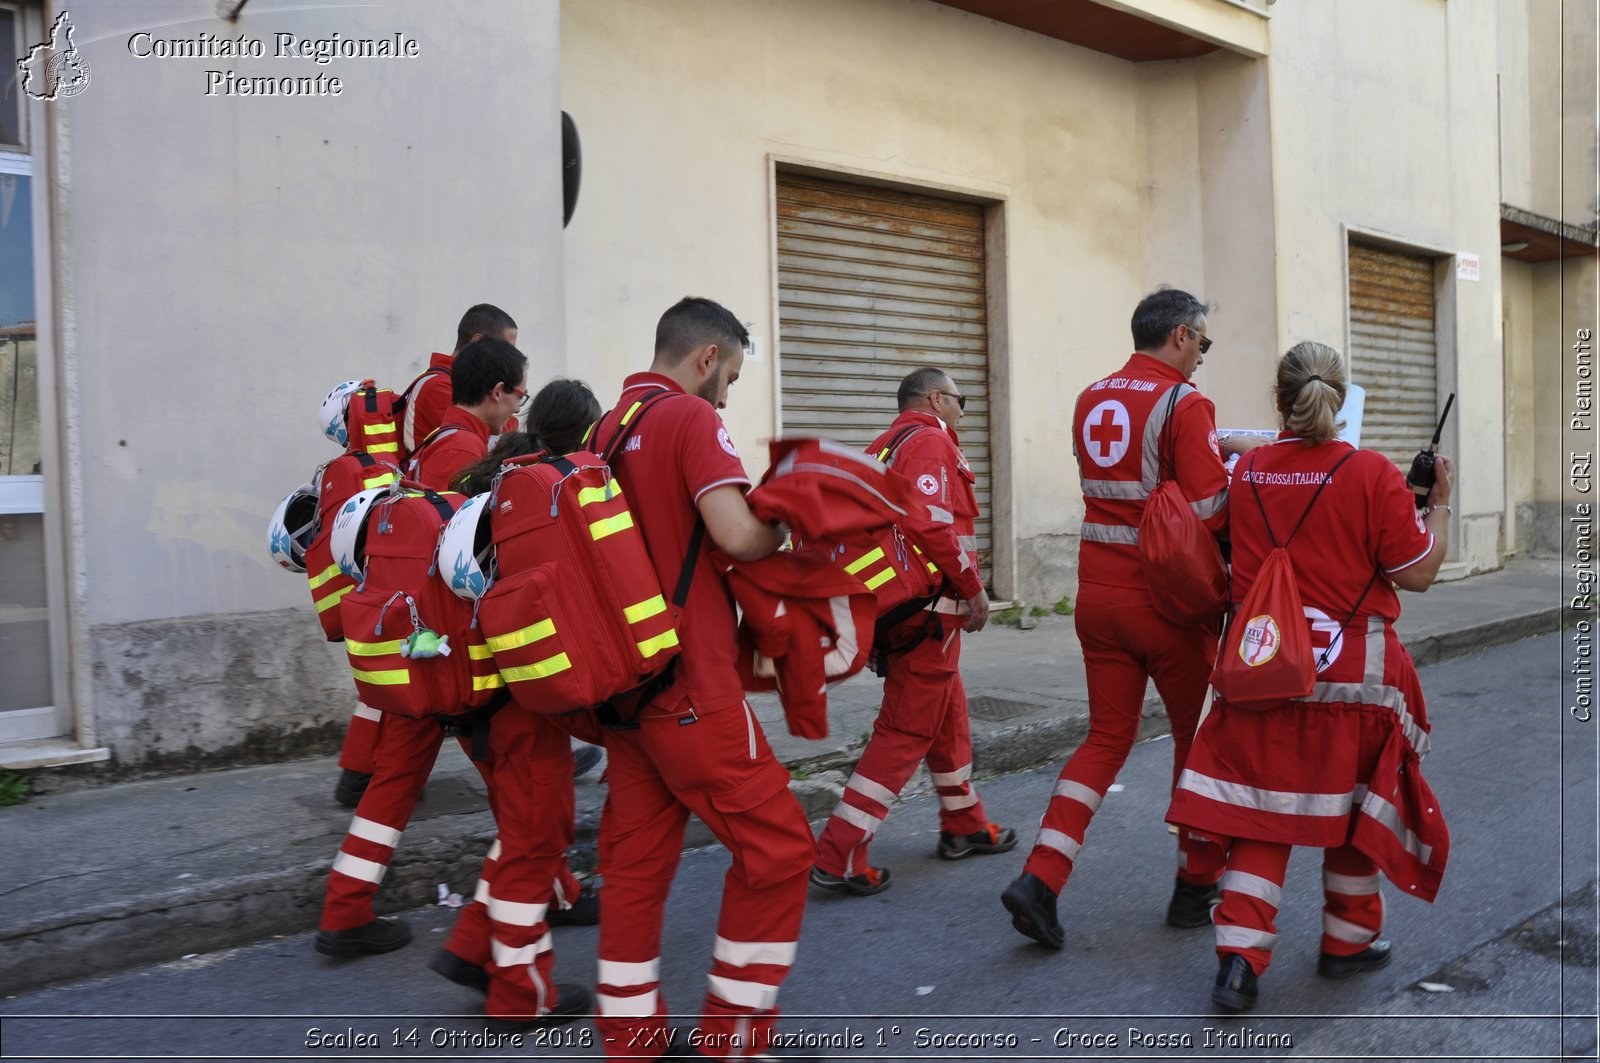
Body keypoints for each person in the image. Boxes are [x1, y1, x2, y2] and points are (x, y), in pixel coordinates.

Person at [1166, 341, 1453, 1011]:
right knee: (1352, 810)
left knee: (1261, 816)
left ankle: (1238, 960)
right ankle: (1348, 940)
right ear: (1342, 399)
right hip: (1357, 677)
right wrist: (1437, 501)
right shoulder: (1375, 474)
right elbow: (1417, 572)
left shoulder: (1247, 473)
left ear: (1279, 400)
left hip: (1264, 664)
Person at [586, 297, 817, 1061]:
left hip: (626, 689)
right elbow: (735, 532)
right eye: (731, 377)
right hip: (691, 686)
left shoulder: (603, 427)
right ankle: (735, 1044)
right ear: (706, 358)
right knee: (779, 850)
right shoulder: (687, 418)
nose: (728, 396)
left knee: (633, 867)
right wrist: (787, 517)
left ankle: (631, 1039)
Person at [1001, 287, 1262, 949]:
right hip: (1168, 604)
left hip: (1098, 596)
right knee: (1193, 742)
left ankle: (1041, 876)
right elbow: (1206, 511)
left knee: (1104, 739)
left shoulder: (1092, 396)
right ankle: (1194, 886)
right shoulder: (1185, 402)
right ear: (1179, 335)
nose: (1205, 354)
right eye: (1203, 341)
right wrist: (1239, 476)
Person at [811, 367, 1012, 896]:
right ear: (935, 398)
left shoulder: (883, 445)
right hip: (928, 612)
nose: (965, 412)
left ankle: (965, 824)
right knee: (905, 731)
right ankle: (839, 852)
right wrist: (973, 588)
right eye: (961, 400)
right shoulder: (927, 441)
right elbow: (928, 522)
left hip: (904, 613)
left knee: (948, 713)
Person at [407, 337, 527, 488]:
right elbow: (448, 511)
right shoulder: (461, 448)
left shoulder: (459, 438)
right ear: (497, 392)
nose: (517, 409)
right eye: (520, 396)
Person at [401, 303, 519, 453]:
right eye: (505, 349)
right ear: (477, 341)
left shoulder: (464, 384)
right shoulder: (439, 387)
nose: (510, 358)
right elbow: (492, 444)